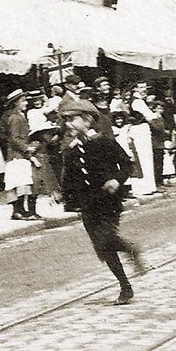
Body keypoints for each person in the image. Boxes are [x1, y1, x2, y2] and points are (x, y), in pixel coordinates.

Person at [56, 96, 147, 306]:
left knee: (105, 238)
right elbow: (69, 178)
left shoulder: (104, 142)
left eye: (72, 120)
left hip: (108, 200)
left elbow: (126, 164)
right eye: (66, 121)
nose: (68, 125)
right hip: (87, 203)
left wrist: (117, 179)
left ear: (87, 120)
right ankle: (125, 286)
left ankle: (130, 249)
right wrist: (62, 195)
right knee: (102, 247)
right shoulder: (70, 151)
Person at [0, 89, 36, 221]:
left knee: (22, 182)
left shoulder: (20, 116)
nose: (26, 103)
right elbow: (14, 138)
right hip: (17, 155)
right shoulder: (15, 118)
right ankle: (17, 211)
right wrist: (26, 148)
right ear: (16, 103)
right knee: (18, 182)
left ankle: (21, 209)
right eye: (23, 101)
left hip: (20, 155)